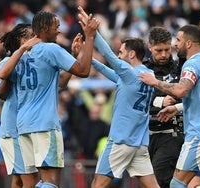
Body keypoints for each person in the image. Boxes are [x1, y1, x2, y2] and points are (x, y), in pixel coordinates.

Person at [0, 10, 100, 188]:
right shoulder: (49, 49)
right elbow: (84, 71)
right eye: (56, 27)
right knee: (50, 182)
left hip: (23, 126)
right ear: (45, 28)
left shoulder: (20, 58)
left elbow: (59, 81)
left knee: (28, 182)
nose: (59, 31)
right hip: (44, 123)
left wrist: (74, 57)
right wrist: (89, 37)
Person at [139, 24, 200, 188]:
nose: (175, 44)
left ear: (189, 43)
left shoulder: (192, 65)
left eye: (178, 40)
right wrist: (176, 108)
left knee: (176, 184)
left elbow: (181, 90)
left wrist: (155, 82)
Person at [77, 6, 160, 188]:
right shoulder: (147, 76)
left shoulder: (130, 74)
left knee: (98, 184)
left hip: (121, 140)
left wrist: (92, 34)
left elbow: (107, 55)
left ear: (131, 54)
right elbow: (107, 70)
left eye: (121, 52)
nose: (118, 54)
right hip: (139, 142)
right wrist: (86, 55)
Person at [0, 23, 40, 188]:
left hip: (26, 130)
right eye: (30, 36)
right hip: (12, 130)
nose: (34, 39)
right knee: (31, 180)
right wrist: (20, 53)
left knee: (19, 180)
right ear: (20, 41)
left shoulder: (36, 63)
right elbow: (1, 88)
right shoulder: (8, 61)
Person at [143, 26, 184, 188]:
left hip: (171, 134)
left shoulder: (180, 69)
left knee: (158, 179)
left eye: (167, 49)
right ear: (150, 47)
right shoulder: (142, 69)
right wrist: (160, 101)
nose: (164, 54)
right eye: (158, 50)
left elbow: (188, 97)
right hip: (146, 135)